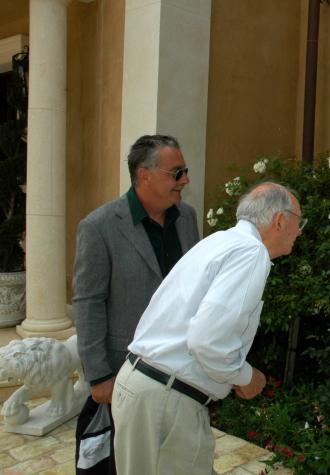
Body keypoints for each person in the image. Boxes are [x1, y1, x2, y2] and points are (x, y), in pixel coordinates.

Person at [111, 182, 304, 475]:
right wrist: (246, 377)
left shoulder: (220, 242)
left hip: (142, 386)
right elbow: (207, 341)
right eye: (298, 222)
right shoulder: (251, 253)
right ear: (279, 221)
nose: (299, 231)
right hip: (164, 399)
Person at [73, 134, 199, 473]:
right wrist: (99, 376)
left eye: (184, 171)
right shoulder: (98, 227)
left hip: (182, 373)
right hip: (125, 375)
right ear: (144, 174)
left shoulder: (186, 218)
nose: (185, 180)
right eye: (177, 172)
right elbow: (88, 302)